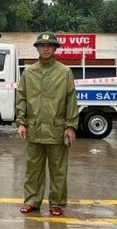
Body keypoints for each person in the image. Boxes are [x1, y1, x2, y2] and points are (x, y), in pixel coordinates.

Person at [16, 31, 79, 217]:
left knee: (58, 169)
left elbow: (71, 101)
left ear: (54, 49)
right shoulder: (29, 72)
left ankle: (57, 203)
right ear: (37, 48)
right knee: (33, 168)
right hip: (34, 128)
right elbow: (22, 98)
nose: (45, 49)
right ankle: (32, 201)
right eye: (42, 46)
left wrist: (70, 126)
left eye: (49, 46)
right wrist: (21, 122)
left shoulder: (64, 72)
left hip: (56, 129)